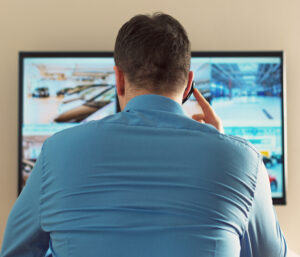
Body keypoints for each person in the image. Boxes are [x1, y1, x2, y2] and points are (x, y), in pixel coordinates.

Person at [1, 13, 287, 257]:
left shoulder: (55, 152)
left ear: (119, 79)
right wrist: (227, 147)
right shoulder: (244, 160)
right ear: (188, 84)